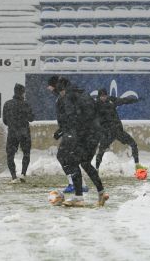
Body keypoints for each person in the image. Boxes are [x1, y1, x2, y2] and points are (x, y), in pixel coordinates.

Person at [51, 76, 109, 207]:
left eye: (60, 92)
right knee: (85, 162)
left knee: (72, 161)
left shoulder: (69, 97)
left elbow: (72, 117)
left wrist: (65, 131)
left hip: (83, 134)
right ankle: (101, 193)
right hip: (95, 134)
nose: (60, 95)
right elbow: (93, 112)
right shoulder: (84, 94)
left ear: (63, 90)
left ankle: (78, 197)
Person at [47, 76, 88, 193]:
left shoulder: (66, 97)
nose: (48, 88)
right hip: (72, 131)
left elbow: (71, 116)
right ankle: (80, 184)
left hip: (72, 132)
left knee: (63, 156)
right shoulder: (65, 95)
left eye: (50, 85)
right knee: (70, 158)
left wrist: (61, 130)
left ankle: (74, 184)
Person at [95, 88, 146, 173]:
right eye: (101, 96)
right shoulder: (96, 105)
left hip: (118, 130)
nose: (103, 98)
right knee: (101, 150)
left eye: (105, 96)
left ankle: (137, 165)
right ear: (99, 97)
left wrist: (135, 100)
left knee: (133, 144)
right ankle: (96, 169)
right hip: (107, 133)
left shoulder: (110, 100)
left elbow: (123, 100)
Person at [2, 83, 34, 183]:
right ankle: (23, 174)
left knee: (10, 155)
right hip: (24, 132)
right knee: (26, 153)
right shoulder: (26, 104)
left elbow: (5, 121)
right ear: (23, 93)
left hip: (12, 132)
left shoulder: (7, 104)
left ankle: (13, 177)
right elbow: (31, 118)